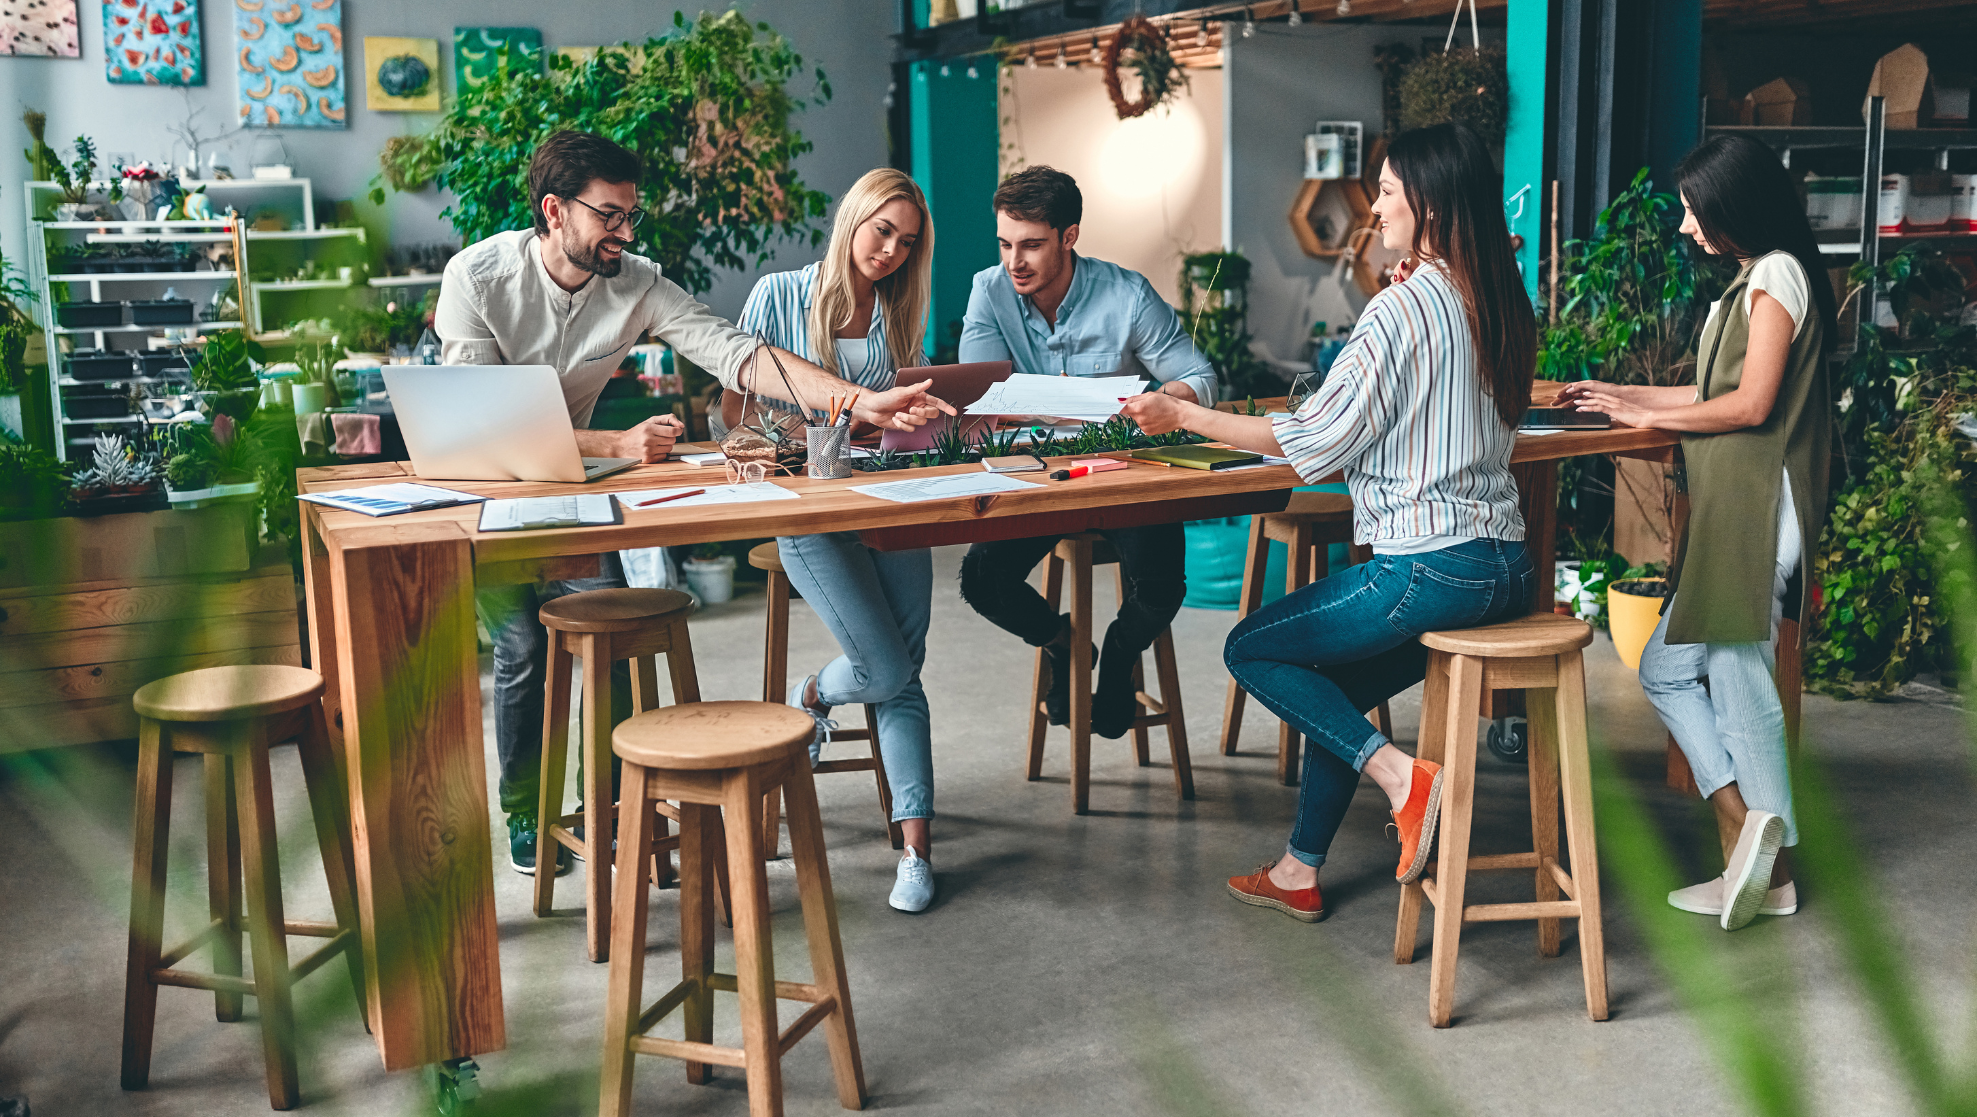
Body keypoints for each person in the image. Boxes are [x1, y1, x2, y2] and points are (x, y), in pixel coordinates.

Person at [436, 130, 953, 876]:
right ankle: (528, 813)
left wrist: (857, 401)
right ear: (555, 210)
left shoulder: (636, 280)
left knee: (607, 632)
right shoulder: (477, 277)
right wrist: (611, 447)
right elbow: (483, 421)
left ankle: (610, 806)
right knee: (520, 647)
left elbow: (738, 354)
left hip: (576, 489)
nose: (625, 231)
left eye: (630, 215)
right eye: (609, 215)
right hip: (493, 486)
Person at [1120, 123, 1535, 922]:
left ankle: (1402, 778)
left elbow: (1309, 443)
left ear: (1431, 203)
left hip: (1427, 569)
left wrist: (1179, 414)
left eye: (1385, 191)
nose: (1374, 209)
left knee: (1251, 646)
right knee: (1331, 690)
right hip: (1505, 570)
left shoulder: (1402, 310)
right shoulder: (1500, 297)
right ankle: (1297, 869)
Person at [1561, 134, 1832, 931]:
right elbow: (1713, 390)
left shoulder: (1777, 273)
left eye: (1692, 211)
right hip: (1731, 509)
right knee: (1667, 668)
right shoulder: (1751, 280)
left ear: (1732, 209)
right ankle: (1742, 833)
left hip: (1758, 509)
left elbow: (1751, 406)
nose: (1684, 227)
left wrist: (1643, 412)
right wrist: (1623, 391)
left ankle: (1767, 861)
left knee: (1739, 675)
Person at [735, 168, 942, 912]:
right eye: (881, 230)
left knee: (903, 670)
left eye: (906, 242)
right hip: (810, 509)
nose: (890, 250)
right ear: (852, 216)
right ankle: (813, 693)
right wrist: (850, 421)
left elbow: (900, 421)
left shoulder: (896, 311)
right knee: (885, 665)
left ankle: (916, 851)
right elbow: (738, 423)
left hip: (891, 501)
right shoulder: (778, 295)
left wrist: (922, 419)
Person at [955, 166, 1217, 739]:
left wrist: (1163, 402)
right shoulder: (988, 290)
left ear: (1068, 236)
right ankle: (1064, 642)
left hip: (1122, 473)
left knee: (1162, 589)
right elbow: (981, 396)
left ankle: (1118, 657)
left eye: (1031, 245)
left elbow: (1199, 376)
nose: (1014, 261)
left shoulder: (1126, 293)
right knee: (980, 580)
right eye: (1005, 244)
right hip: (1038, 478)